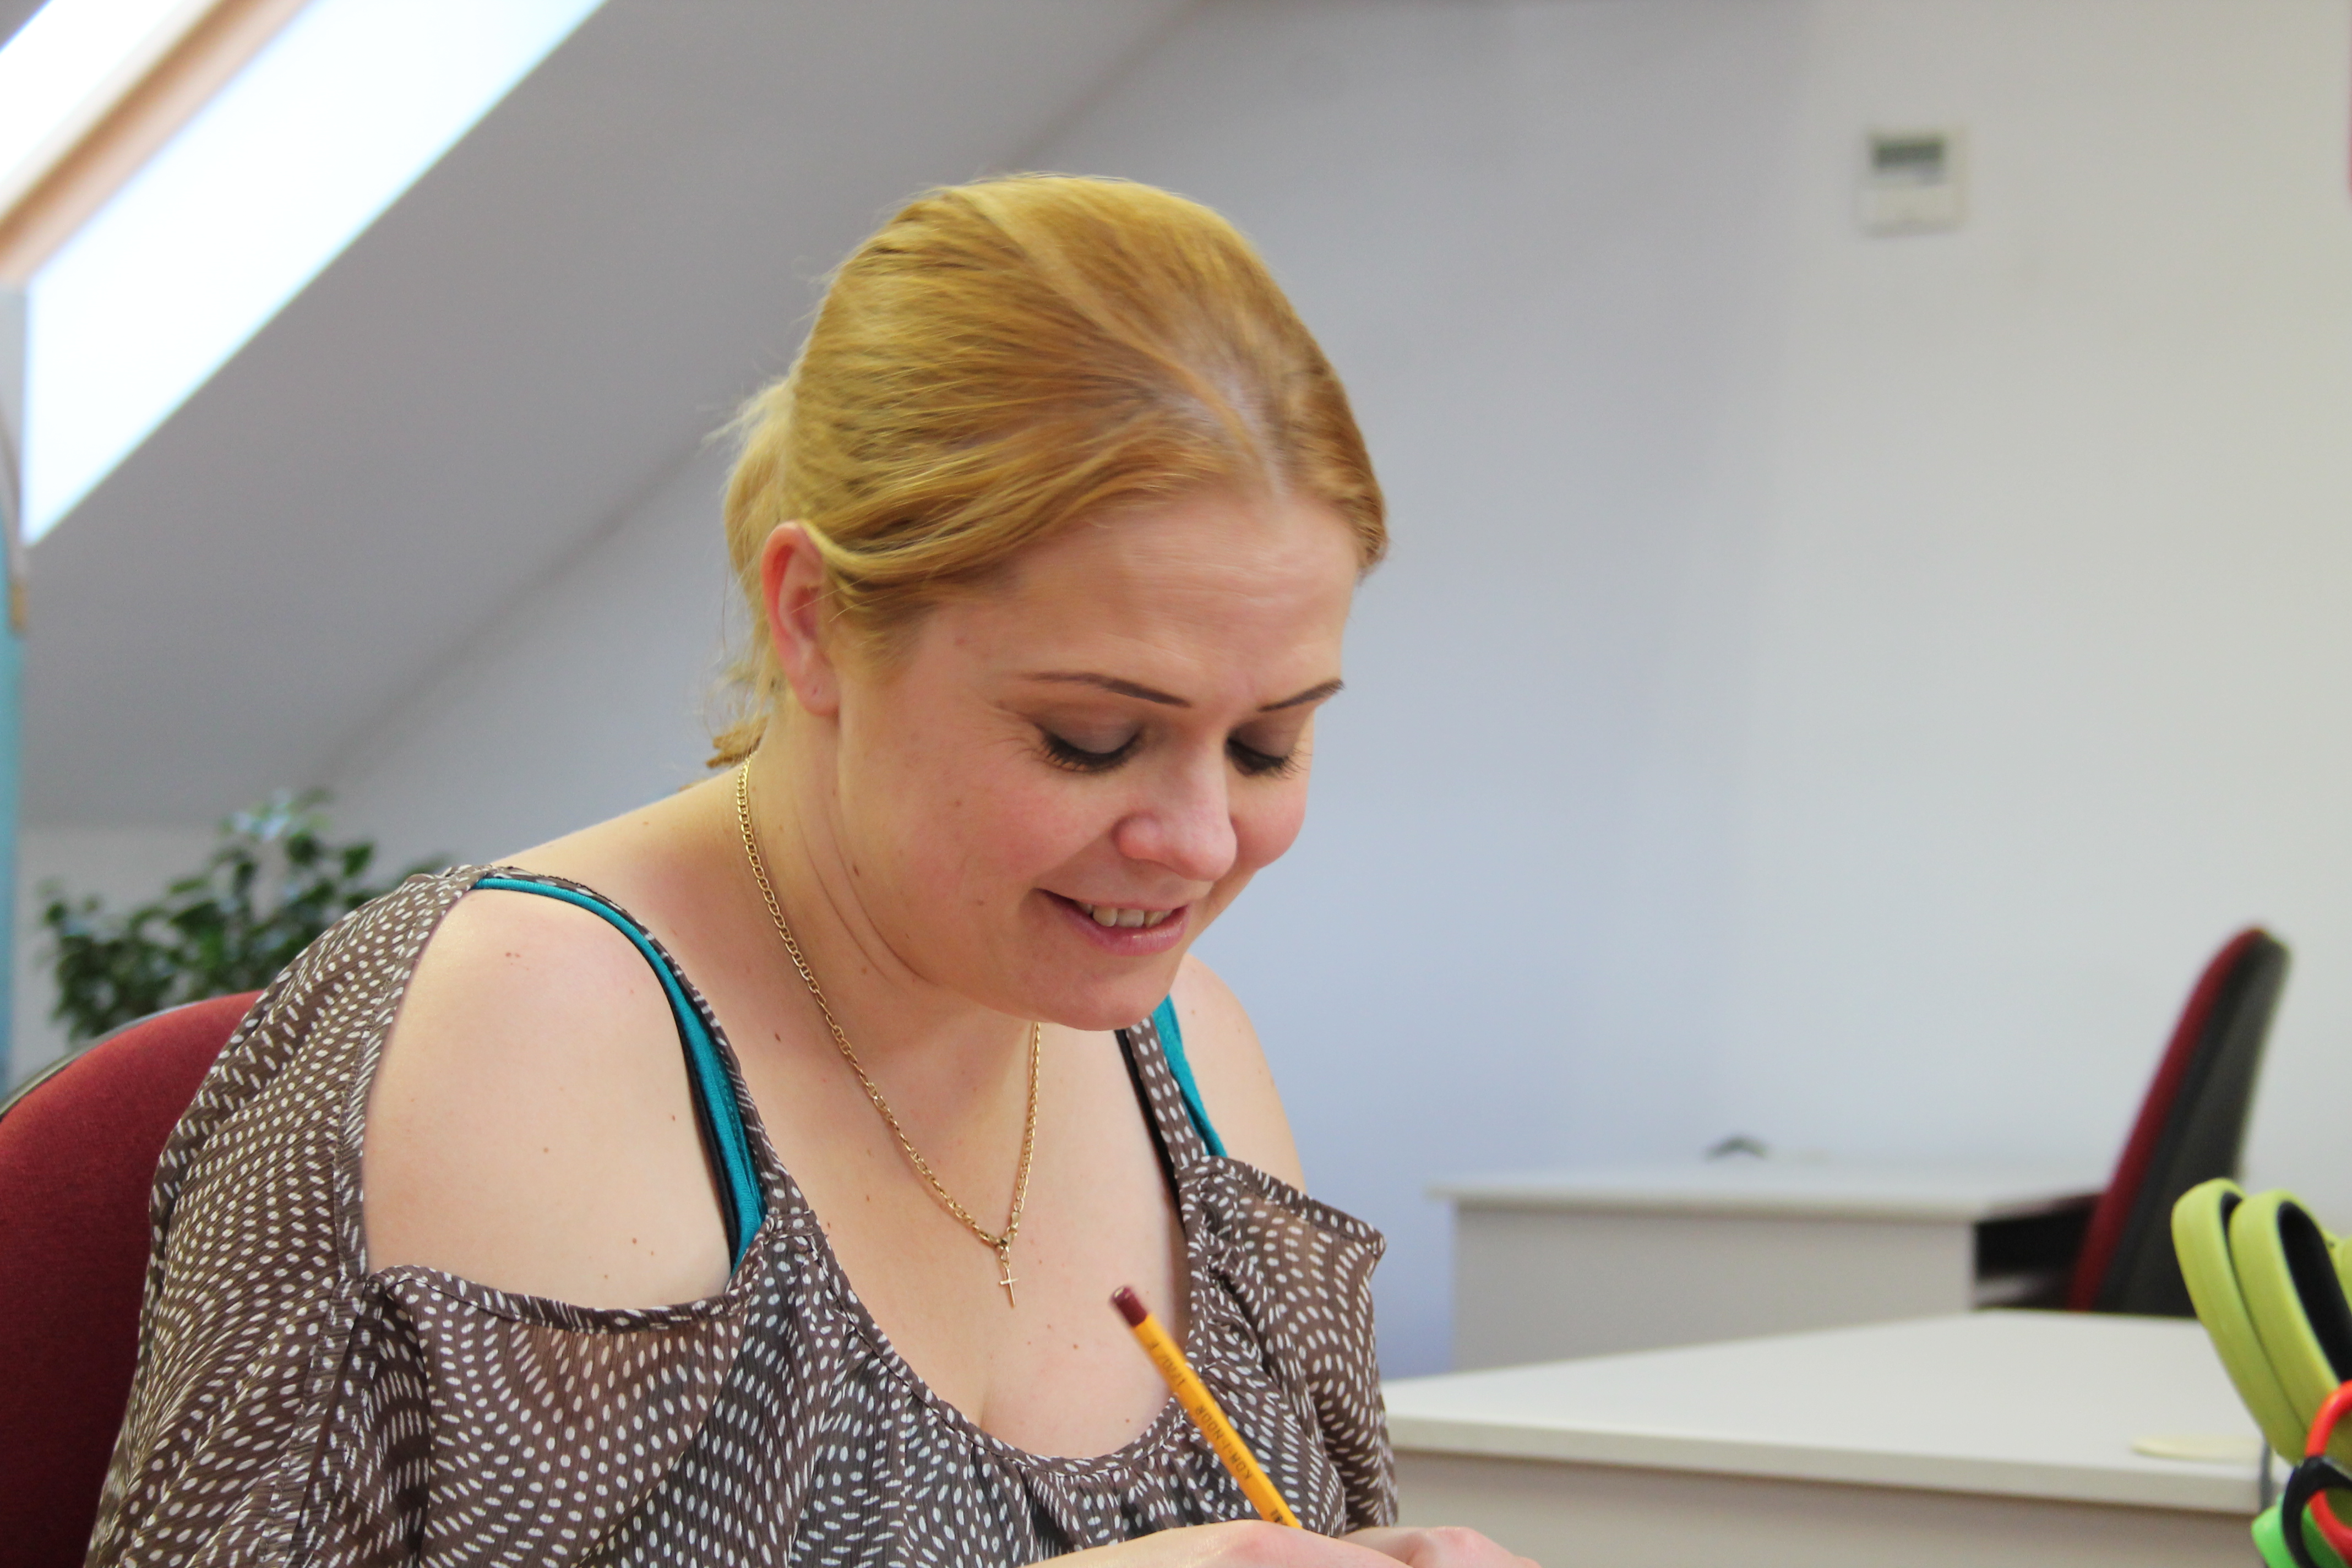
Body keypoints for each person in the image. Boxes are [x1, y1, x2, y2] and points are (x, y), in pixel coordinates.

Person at [88, 175, 1534, 1568]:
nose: (1204, 841)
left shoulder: (1191, 1059)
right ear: (814, 620)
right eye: (1092, 740)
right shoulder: (531, 1029)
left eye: (1269, 745)